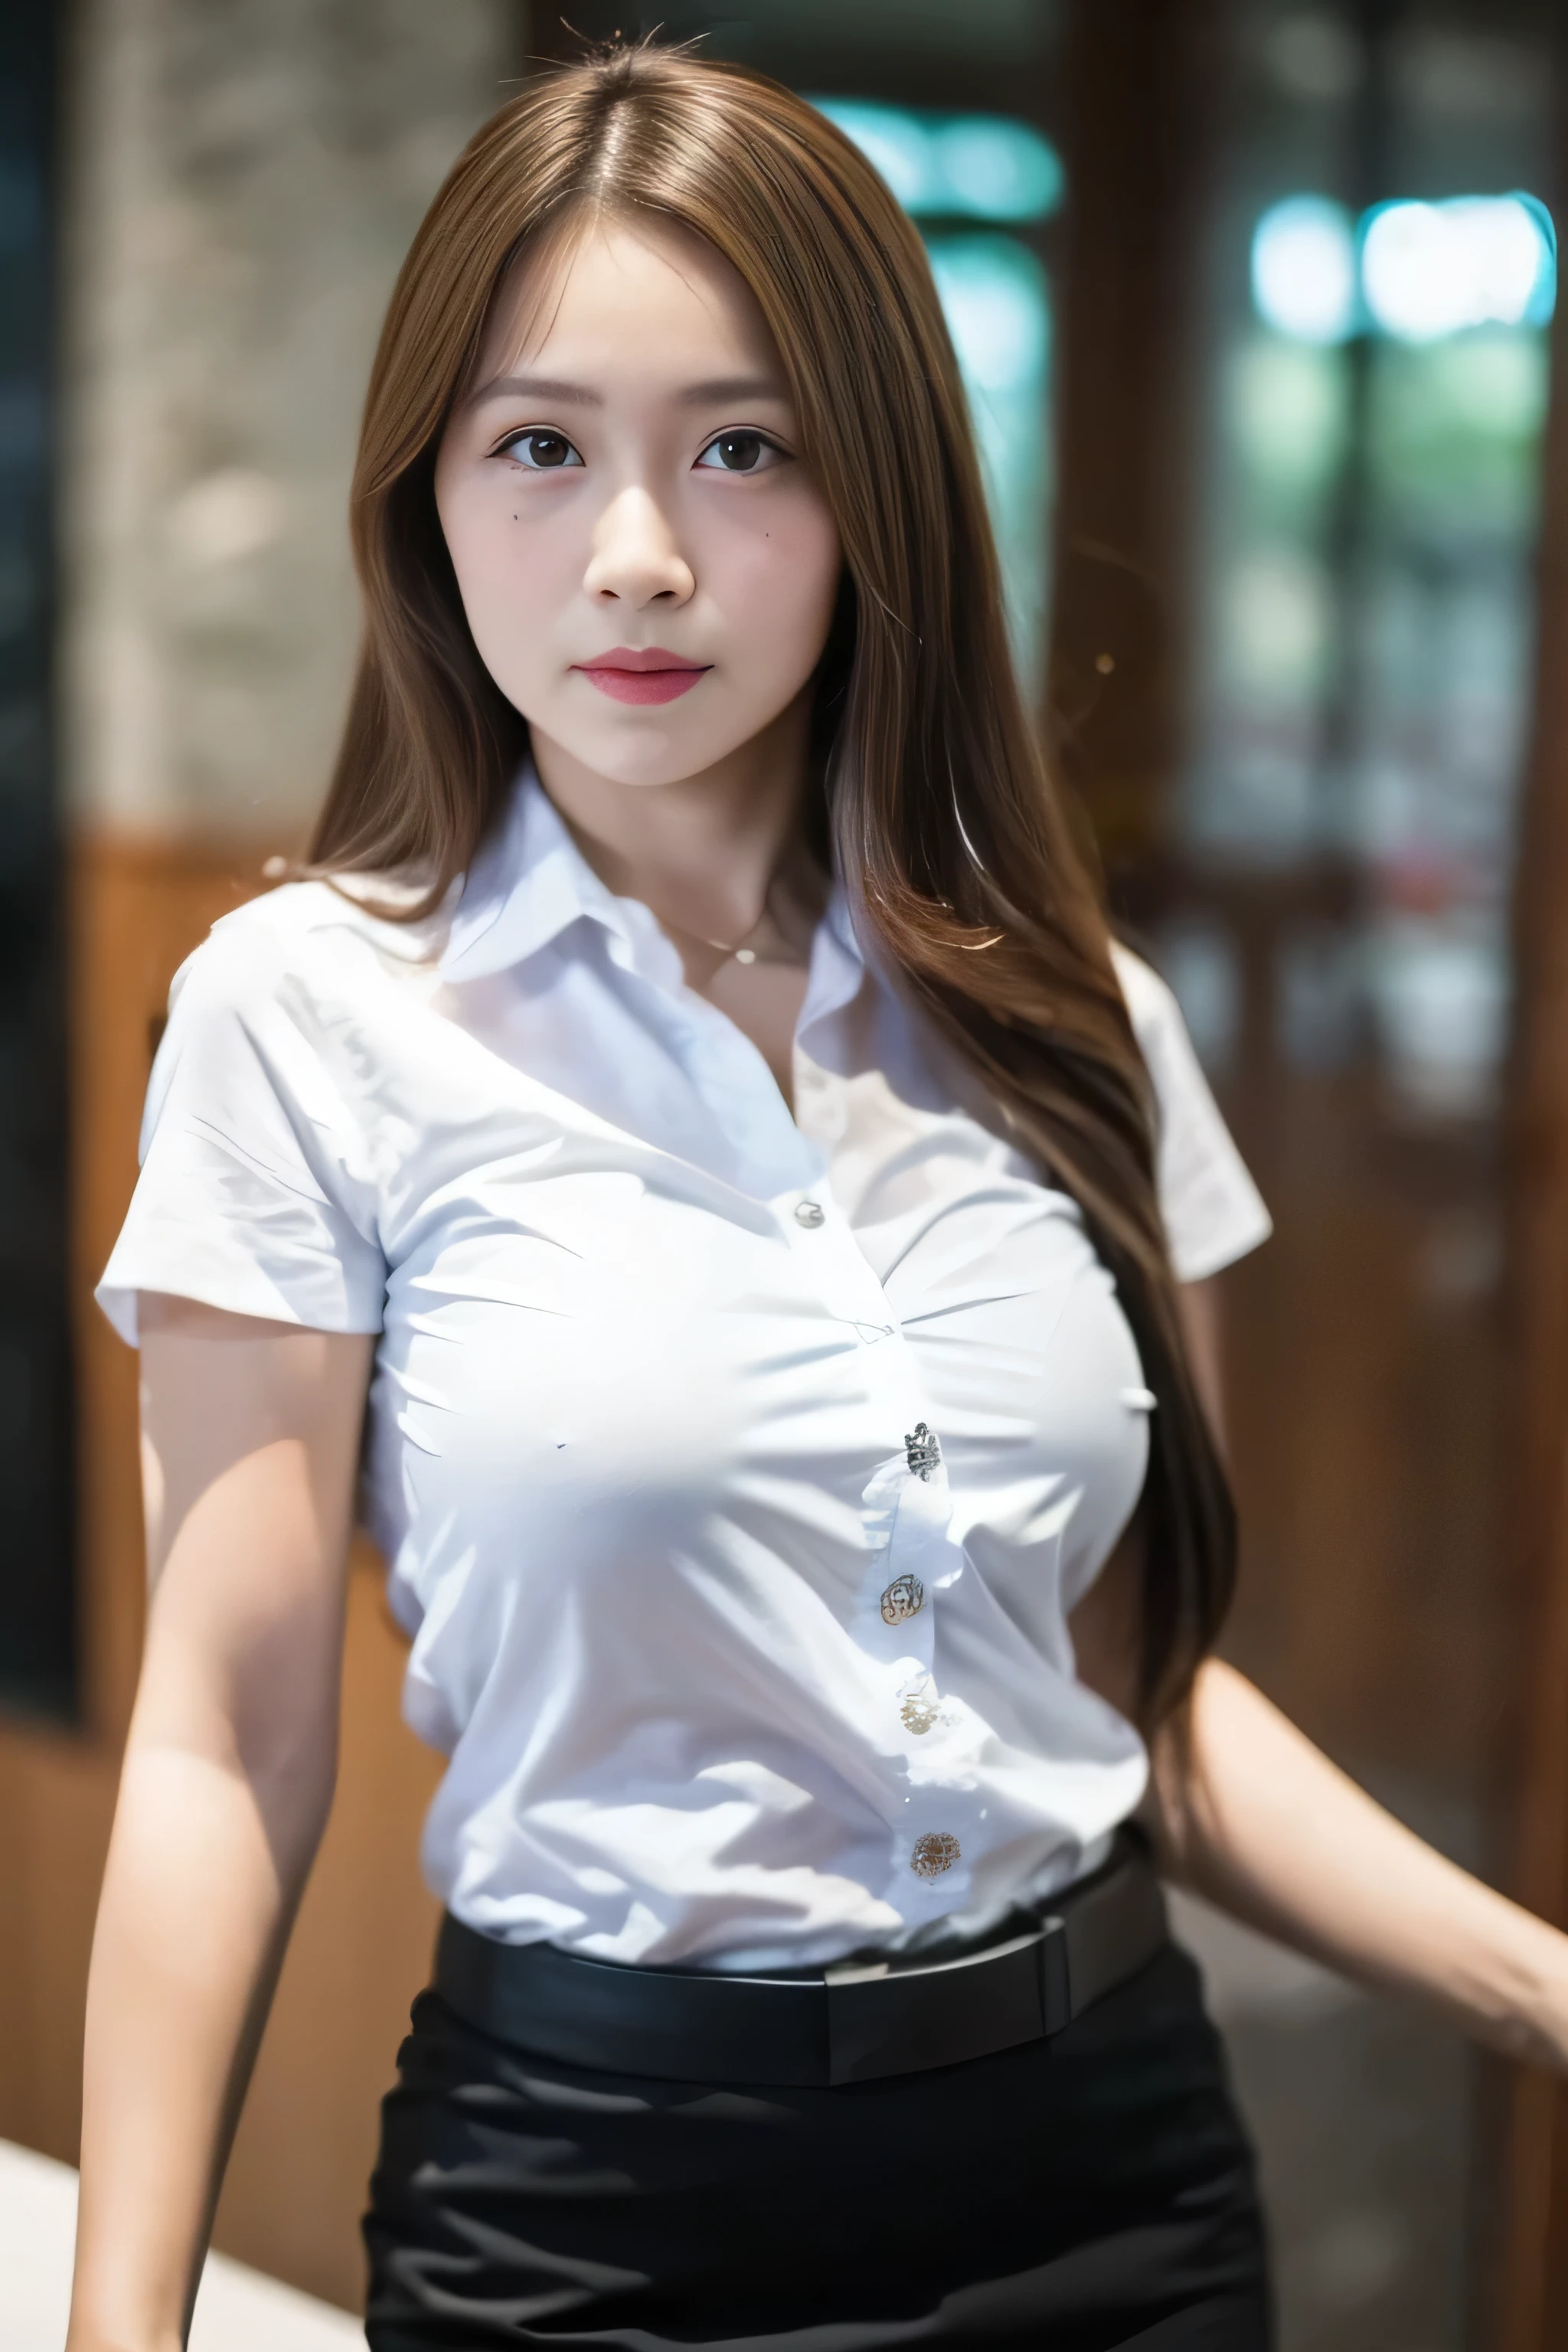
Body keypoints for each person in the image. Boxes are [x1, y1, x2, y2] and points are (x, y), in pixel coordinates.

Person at [67, 44, 1568, 2352]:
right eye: (541, 446)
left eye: (742, 446)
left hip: (1118, 2184)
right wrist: (115, 2334)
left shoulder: (1084, 1022)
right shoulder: (306, 1020)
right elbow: (222, 1741)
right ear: (428, 498)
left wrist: (1533, 1986)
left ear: (877, 493)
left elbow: (1142, 1704)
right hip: (596, 2219)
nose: (639, 553)